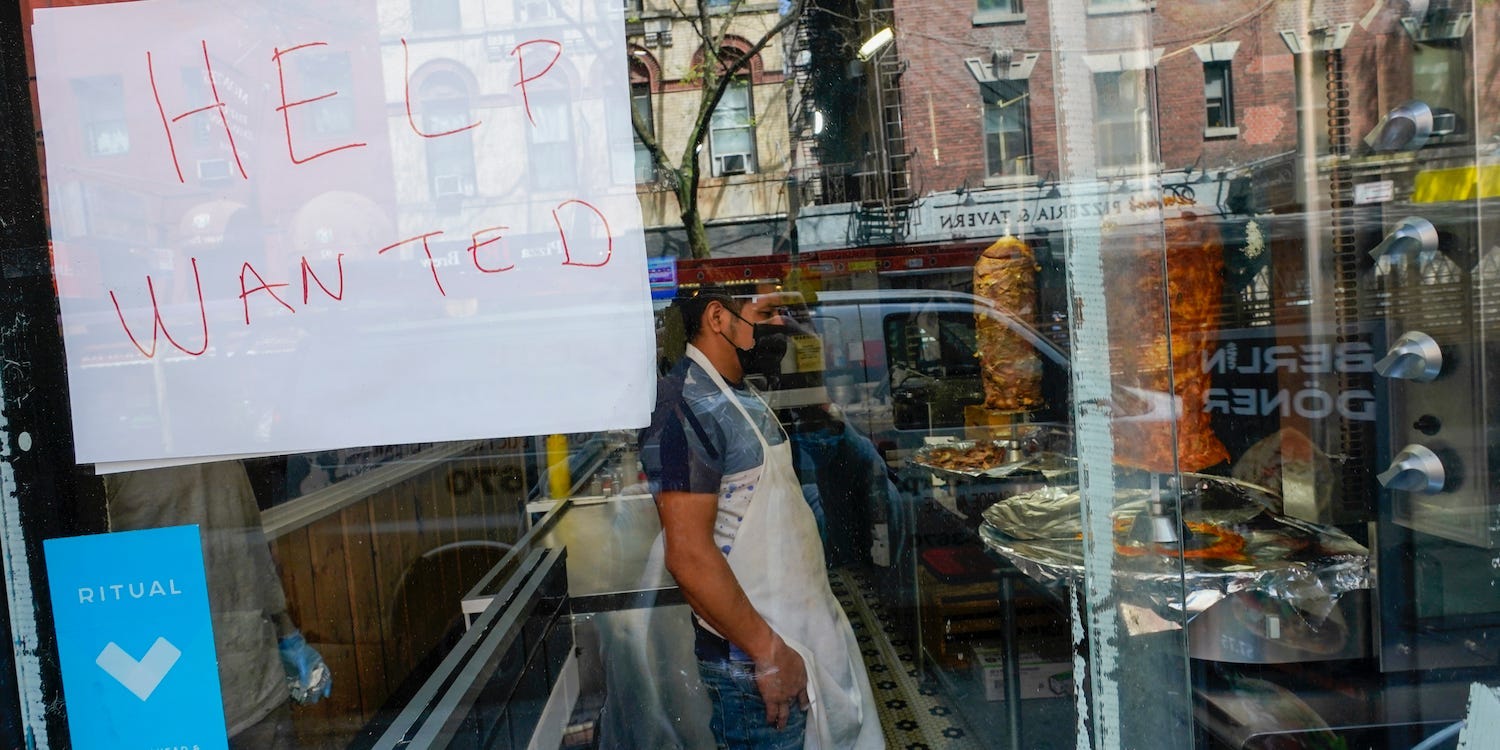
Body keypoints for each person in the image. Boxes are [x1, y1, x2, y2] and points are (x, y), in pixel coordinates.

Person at [640, 287, 883, 749]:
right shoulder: (686, 407)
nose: (781, 326)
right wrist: (769, 655)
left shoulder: (740, 393)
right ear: (718, 317)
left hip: (800, 641)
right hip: (757, 665)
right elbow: (689, 556)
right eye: (767, 313)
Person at [103, 460, 330, 748]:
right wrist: (286, 633)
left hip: (235, 684)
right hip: (193, 690)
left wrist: (287, 633)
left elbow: (253, 544)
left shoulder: (215, 449)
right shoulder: (113, 458)